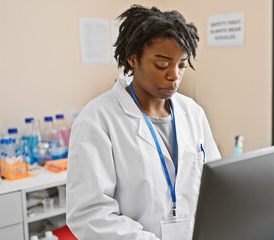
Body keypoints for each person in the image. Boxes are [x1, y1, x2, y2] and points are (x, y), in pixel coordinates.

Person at [66, 5, 221, 240]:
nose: (174, 76)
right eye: (162, 65)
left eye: (181, 65)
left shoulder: (193, 113)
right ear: (133, 58)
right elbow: (90, 214)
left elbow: (215, 186)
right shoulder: (97, 120)